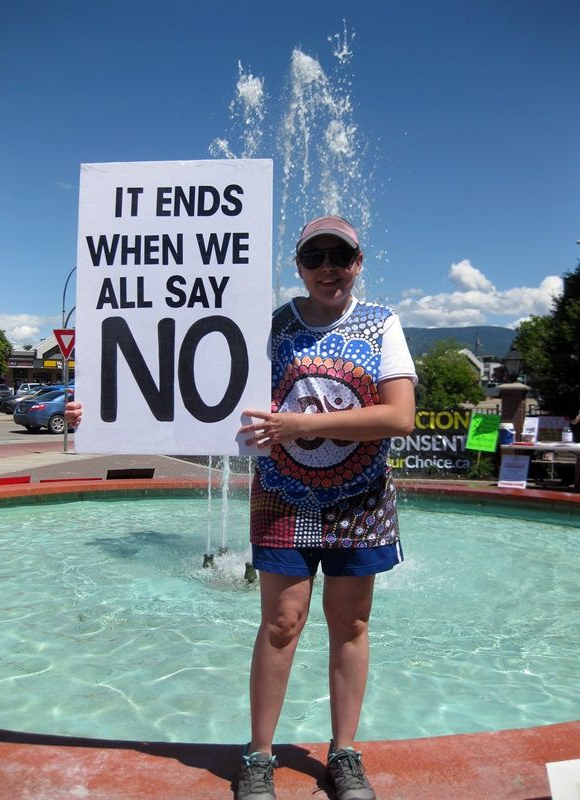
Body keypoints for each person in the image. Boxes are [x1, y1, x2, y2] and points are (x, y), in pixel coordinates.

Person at [65, 215, 417, 800]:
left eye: (341, 256)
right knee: (281, 624)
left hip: (360, 499)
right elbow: (181, 380)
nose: (328, 267)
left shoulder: (383, 324)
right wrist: (100, 410)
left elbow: (399, 416)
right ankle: (259, 755)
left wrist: (300, 423)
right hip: (282, 493)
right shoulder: (265, 326)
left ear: (359, 263)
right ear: (298, 265)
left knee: (351, 624)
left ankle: (345, 752)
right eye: (315, 257)